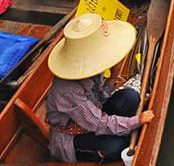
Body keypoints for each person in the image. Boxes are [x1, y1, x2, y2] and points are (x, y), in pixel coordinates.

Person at [43, 13, 151, 163]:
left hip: (92, 116)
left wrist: (113, 77)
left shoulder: (91, 68)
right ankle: (114, 138)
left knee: (130, 97)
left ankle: (121, 130)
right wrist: (136, 121)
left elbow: (99, 99)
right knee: (116, 147)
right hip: (74, 134)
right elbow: (98, 123)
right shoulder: (68, 90)